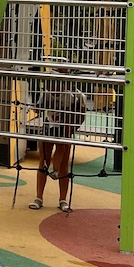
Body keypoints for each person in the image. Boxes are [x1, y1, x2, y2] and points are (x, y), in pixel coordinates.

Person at [28, 59, 87, 212]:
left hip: (65, 130)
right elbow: (40, 107)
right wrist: (36, 108)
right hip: (49, 127)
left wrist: (71, 128)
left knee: (63, 165)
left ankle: (62, 199)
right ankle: (38, 197)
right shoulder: (47, 93)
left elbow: (81, 115)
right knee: (43, 162)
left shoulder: (74, 95)